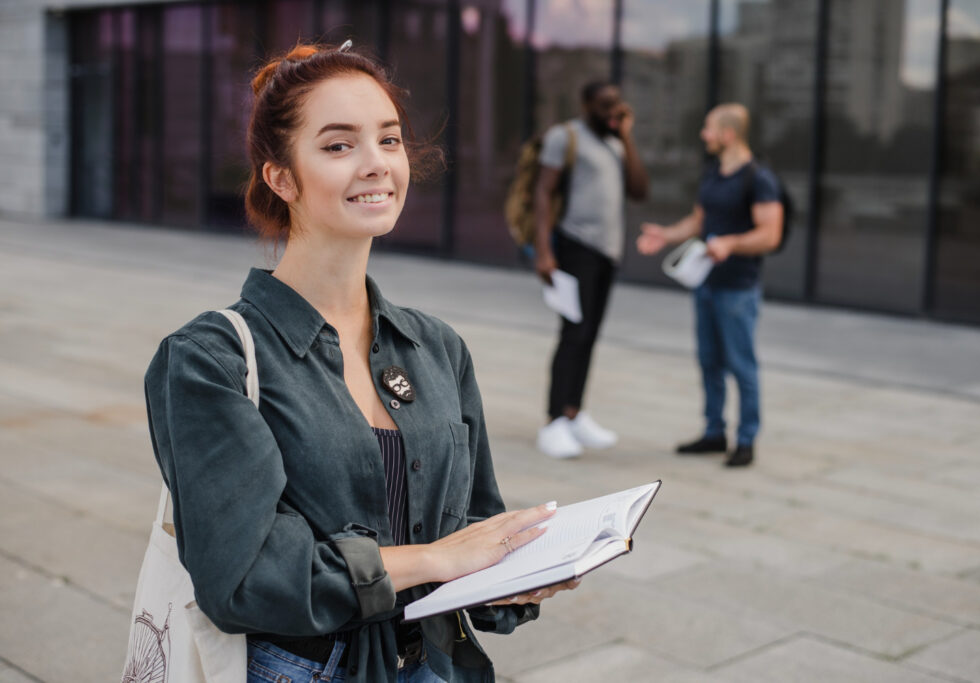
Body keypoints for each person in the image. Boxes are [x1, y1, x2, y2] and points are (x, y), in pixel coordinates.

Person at [144, 43, 577, 683]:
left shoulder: (436, 347)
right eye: (339, 145)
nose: (376, 164)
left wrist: (511, 571)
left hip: (435, 664)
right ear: (281, 178)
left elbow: (474, 526)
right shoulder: (211, 360)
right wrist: (435, 559)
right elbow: (242, 579)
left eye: (390, 140)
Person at [636, 103, 783, 468]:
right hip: (706, 284)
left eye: (708, 128)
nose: (703, 135)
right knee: (709, 362)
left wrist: (731, 243)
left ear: (728, 133)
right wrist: (665, 235)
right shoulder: (713, 172)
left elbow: (771, 234)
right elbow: (699, 221)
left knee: (742, 365)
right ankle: (714, 432)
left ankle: (746, 440)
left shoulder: (759, 178)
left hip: (738, 288)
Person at [533, 80, 649, 459]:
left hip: (606, 253)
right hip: (574, 246)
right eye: (603, 106)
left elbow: (639, 189)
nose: (611, 112)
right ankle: (554, 422)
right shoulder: (565, 136)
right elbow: (543, 192)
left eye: (616, 105)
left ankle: (574, 412)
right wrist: (544, 250)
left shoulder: (616, 142)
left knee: (591, 334)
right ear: (586, 104)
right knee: (573, 332)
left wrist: (627, 136)